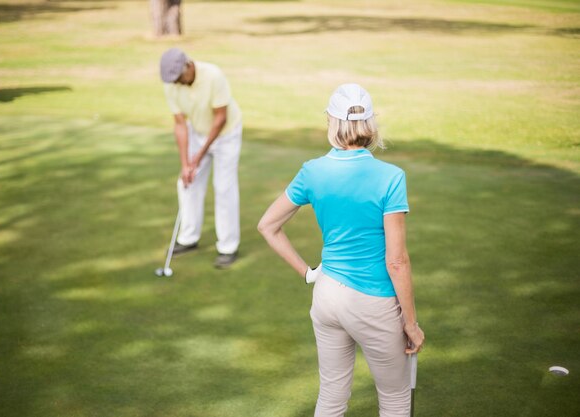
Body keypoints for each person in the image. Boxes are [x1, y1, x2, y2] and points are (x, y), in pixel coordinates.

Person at [257, 84, 424, 417]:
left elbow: (267, 226)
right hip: (374, 302)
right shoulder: (391, 177)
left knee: (332, 395)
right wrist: (411, 322)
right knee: (394, 398)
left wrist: (307, 272)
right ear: (371, 124)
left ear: (331, 123)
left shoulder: (312, 171)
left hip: (327, 295)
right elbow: (397, 261)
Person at [159, 48, 242, 268]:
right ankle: (188, 238)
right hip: (197, 131)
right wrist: (186, 163)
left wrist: (200, 154)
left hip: (226, 134)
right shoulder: (171, 84)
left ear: (188, 65)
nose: (176, 83)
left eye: (179, 77)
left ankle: (227, 247)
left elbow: (220, 118)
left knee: (224, 187)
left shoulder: (213, 75)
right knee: (186, 182)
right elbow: (179, 124)